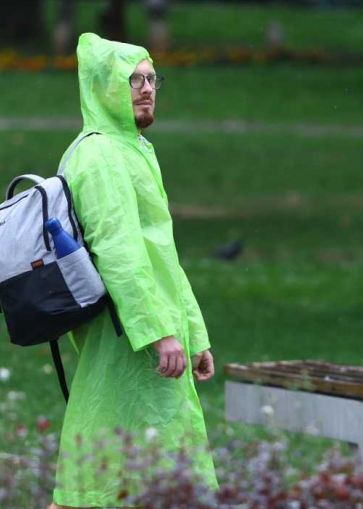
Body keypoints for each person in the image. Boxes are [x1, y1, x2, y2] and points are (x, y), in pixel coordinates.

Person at [48, 33, 217, 509]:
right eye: (132, 80)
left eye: (151, 79)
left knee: (141, 461)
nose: (146, 89)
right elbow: (118, 252)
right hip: (130, 334)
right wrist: (157, 332)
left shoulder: (131, 148)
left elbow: (162, 255)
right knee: (112, 467)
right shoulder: (100, 155)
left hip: (151, 329)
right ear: (104, 88)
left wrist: (194, 334)